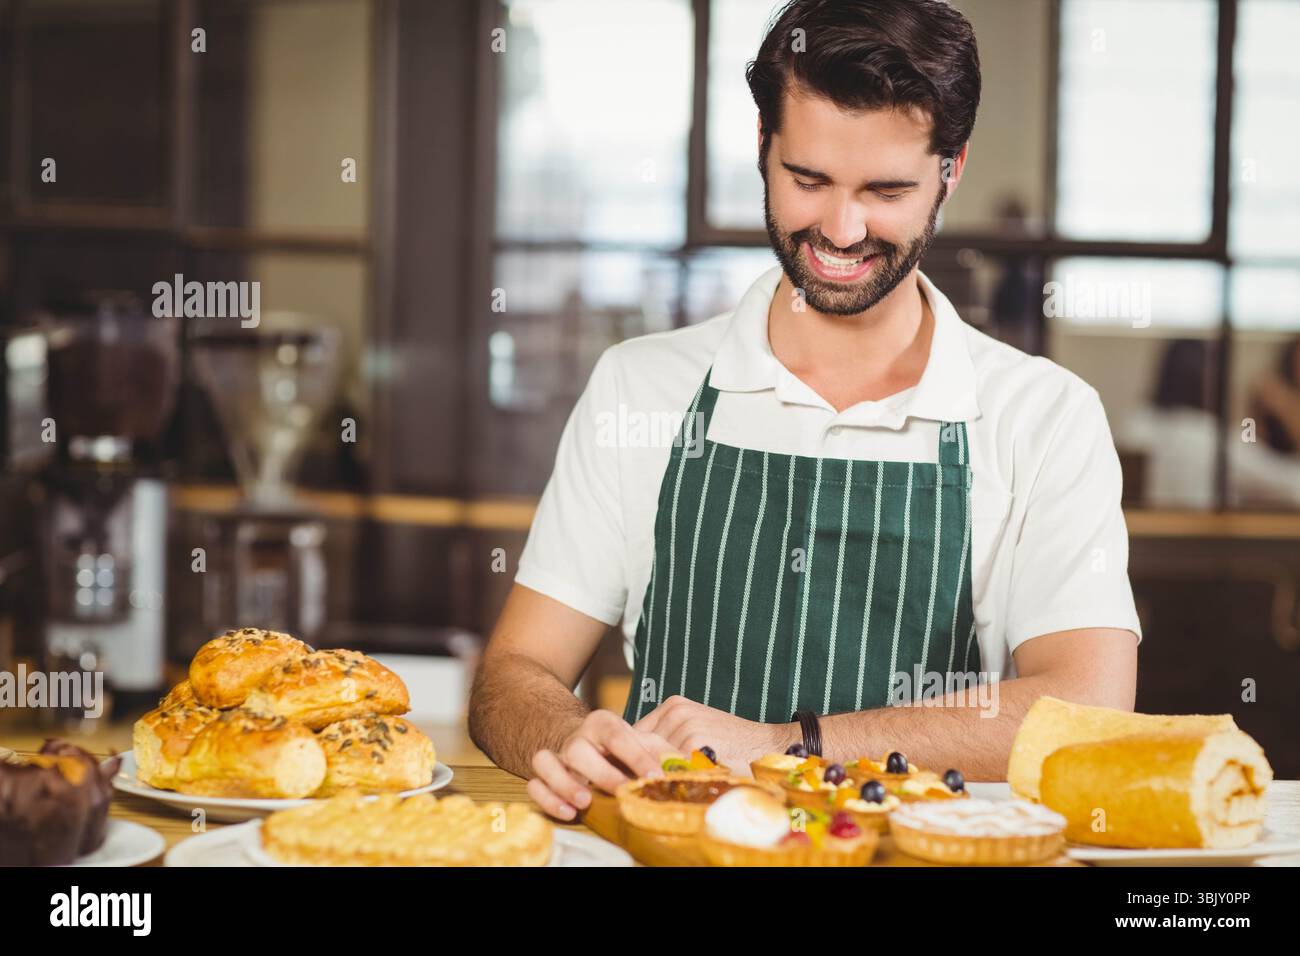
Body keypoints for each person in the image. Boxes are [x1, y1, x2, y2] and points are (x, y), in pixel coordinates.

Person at [469, 0, 1140, 821]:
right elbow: (513, 673)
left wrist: (790, 744)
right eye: (808, 179)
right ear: (762, 147)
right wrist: (568, 737)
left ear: (950, 171)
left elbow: (1088, 712)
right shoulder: (639, 387)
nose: (841, 228)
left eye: (886, 190)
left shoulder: (1044, 416)